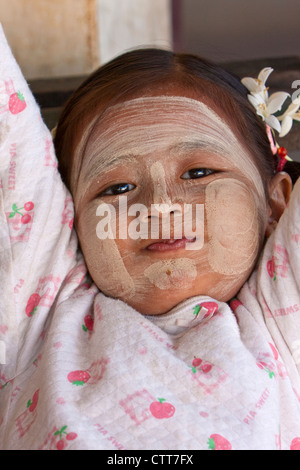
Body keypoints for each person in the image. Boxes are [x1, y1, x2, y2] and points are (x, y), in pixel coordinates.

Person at [1, 23, 300, 450]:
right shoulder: (40, 315)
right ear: (67, 220)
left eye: (199, 173)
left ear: (274, 206)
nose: (160, 207)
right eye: (116, 188)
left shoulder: (283, 325)